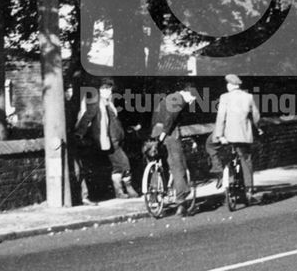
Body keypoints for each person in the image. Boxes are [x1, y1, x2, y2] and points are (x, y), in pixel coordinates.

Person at [74, 79, 139, 199]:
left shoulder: (109, 103)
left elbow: (116, 121)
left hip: (117, 140)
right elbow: (87, 117)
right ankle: (129, 188)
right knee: (125, 163)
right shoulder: (96, 103)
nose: (107, 91)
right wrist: (79, 134)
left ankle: (119, 192)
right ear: (99, 90)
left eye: (109, 89)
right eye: (104, 89)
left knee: (118, 167)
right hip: (109, 141)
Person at [206, 74, 261, 203]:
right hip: (243, 136)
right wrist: (257, 128)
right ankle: (249, 190)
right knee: (246, 160)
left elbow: (221, 118)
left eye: (228, 84)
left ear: (230, 85)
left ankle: (219, 171)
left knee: (210, 145)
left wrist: (220, 135)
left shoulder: (224, 97)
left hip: (227, 136)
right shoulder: (249, 97)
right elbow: (256, 116)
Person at [149, 85, 197, 216]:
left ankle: (153, 196)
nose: (191, 102)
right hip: (169, 136)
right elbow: (170, 118)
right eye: (192, 98)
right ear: (187, 93)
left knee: (158, 166)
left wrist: (156, 137)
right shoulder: (179, 100)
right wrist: (164, 134)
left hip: (155, 133)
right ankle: (181, 202)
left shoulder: (167, 98)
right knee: (178, 166)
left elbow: (156, 116)